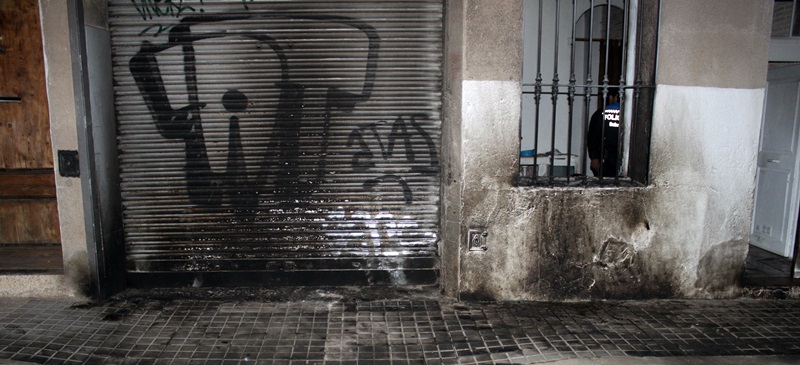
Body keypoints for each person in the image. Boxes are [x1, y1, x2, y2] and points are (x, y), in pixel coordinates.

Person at [587, 87, 621, 177]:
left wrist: (594, 158)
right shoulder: (631, 113)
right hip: (627, 160)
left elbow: (593, 138)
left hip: (606, 161)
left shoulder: (601, 113)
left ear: (612, 97)